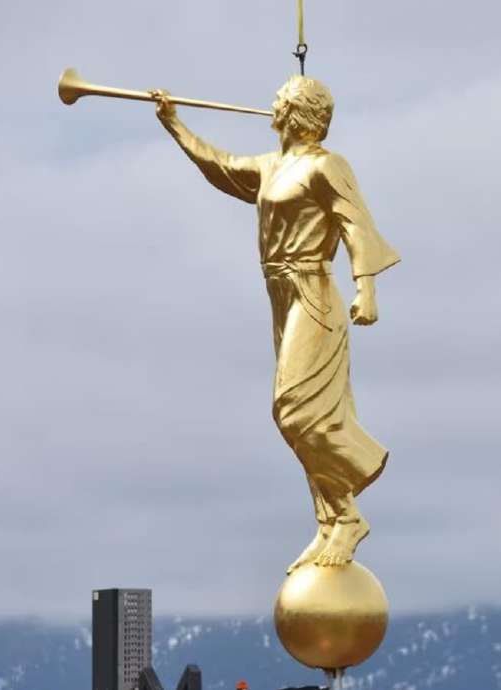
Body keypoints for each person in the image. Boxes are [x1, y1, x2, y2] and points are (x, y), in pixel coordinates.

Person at [152, 75, 399, 574]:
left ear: (296, 113)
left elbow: (356, 224)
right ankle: (329, 520)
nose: (270, 107)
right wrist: (174, 124)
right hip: (279, 293)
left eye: (279, 101)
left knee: (295, 411)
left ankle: (348, 514)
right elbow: (222, 168)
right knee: (301, 414)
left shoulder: (326, 166)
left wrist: (366, 290)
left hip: (313, 290)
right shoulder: (272, 167)